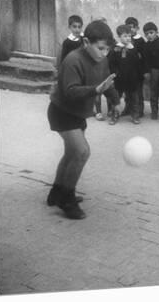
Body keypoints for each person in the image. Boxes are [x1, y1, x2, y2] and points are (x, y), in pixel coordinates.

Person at [47, 20, 120, 219]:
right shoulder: (72, 60)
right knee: (82, 152)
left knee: (71, 153)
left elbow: (106, 82)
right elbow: (70, 91)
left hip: (77, 114)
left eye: (107, 49)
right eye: (100, 48)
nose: (104, 53)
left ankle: (56, 192)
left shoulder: (102, 59)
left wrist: (115, 100)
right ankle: (67, 199)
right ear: (86, 41)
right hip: (62, 112)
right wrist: (95, 90)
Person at [108, 25, 142, 125]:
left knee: (133, 98)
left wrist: (131, 50)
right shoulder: (115, 49)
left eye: (129, 36)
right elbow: (111, 63)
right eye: (125, 36)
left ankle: (135, 115)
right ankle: (115, 115)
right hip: (119, 78)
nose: (128, 38)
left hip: (131, 78)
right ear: (119, 36)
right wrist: (115, 74)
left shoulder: (133, 48)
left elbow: (137, 62)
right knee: (116, 98)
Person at [142, 22, 159, 120]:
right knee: (154, 92)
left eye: (151, 32)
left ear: (156, 32)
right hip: (153, 71)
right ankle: (154, 112)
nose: (149, 35)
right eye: (147, 34)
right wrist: (146, 72)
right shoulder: (146, 46)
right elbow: (145, 60)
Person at [125, 16, 148, 118]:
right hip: (127, 71)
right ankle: (128, 108)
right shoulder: (125, 39)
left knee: (138, 92)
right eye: (128, 28)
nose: (131, 30)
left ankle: (139, 110)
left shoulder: (140, 41)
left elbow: (143, 57)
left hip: (137, 71)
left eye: (132, 27)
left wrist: (144, 71)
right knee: (127, 91)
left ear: (137, 28)